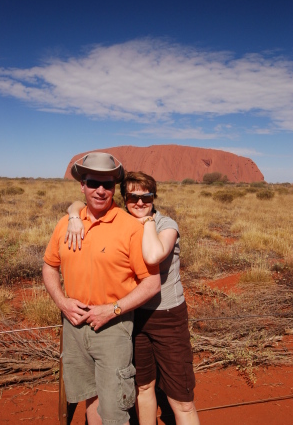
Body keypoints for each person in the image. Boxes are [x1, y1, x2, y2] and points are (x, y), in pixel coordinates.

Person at [66, 171, 200, 425]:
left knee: (181, 398)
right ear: (124, 199)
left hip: (167, 318)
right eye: (132, 198)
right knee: (143, 386)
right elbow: (79, 204)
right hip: (131, 316)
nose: (139, 203)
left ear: (154, 197)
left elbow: (151, 256)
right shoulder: (120, 221)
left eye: (146, 197)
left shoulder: (166, 225)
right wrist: (74, 215)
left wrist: (147, 223)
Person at [43, 154, 161, 425]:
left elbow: (152, 282)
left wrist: (112, 309)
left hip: (112, 327)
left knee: (114, 408)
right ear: (82, 185)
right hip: (73, 325)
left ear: (113, 188)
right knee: (90, 399)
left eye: (107, 185)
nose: (100, 190)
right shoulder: (66, 223)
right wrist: (62, 302)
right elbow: (49, 267)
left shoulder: (130, 227)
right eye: (93, 182)